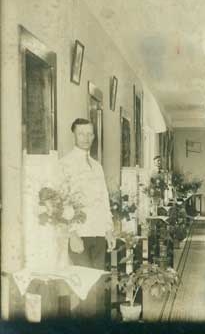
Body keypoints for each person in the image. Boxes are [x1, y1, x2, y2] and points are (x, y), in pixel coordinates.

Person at [59, 118, 115, 316]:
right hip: (79, 236)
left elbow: (104, 200)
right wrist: (72, 234)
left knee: (98, 286)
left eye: (90, 134)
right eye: (82, 133)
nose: (86, 138)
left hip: (99, 233)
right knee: (85, 287)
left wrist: (109, 230)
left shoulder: (96, 166)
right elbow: (62, 203)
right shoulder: (64, 164)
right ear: (74, 134)